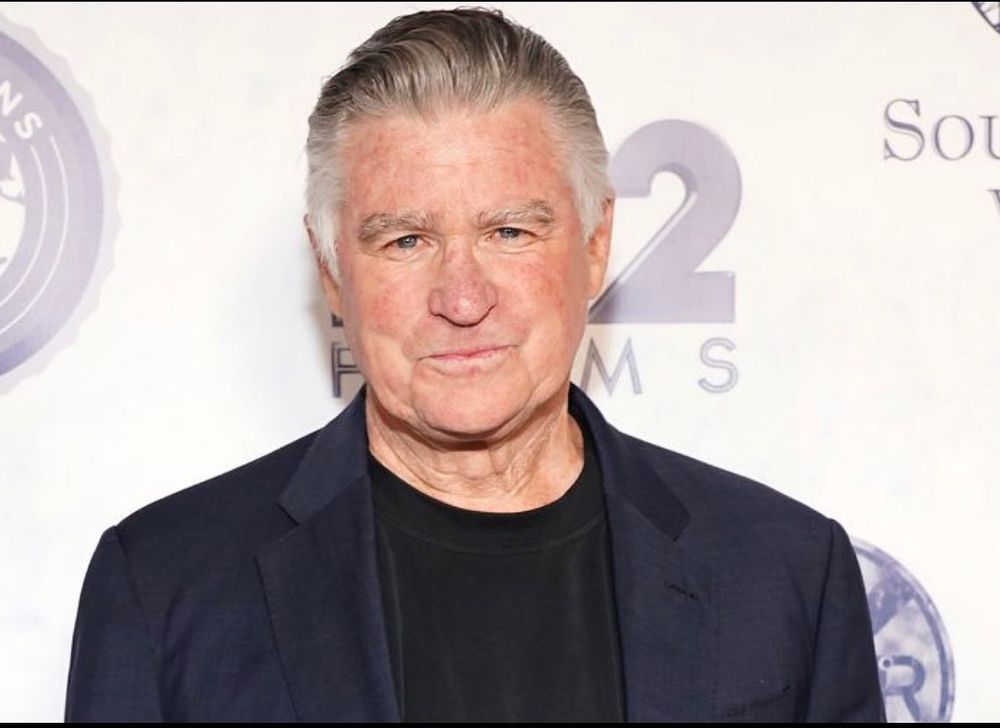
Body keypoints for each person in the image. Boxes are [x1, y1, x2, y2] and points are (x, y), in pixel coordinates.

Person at [65, 7, 885, 722]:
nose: (462, 298)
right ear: (331, 271)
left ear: (595, 244)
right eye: (406, 241)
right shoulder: (166, 584)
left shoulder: (784, 572)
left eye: (510, 232)